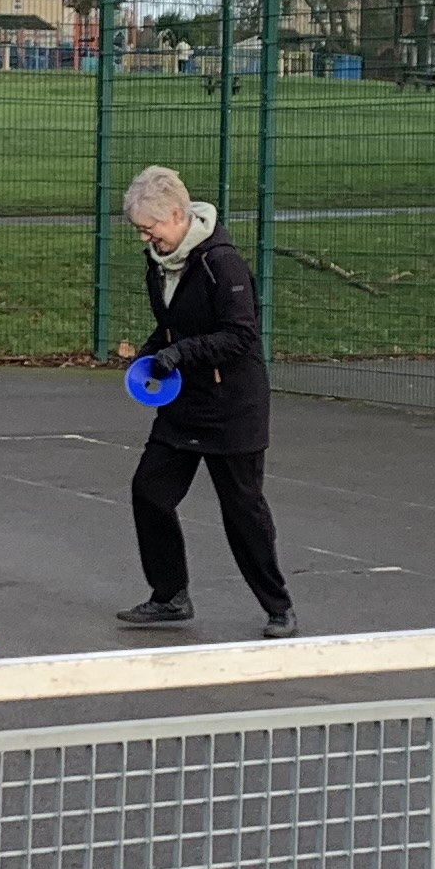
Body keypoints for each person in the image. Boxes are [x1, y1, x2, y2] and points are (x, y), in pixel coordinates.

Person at [111, 162, 296, 638]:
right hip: (183, 403)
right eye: (140, 231)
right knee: (149, 492)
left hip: (233, 407)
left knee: (242, 509)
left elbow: (240, 336)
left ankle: (278, 607)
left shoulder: (222, 264)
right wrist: (153, 353)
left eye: (150, 230)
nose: (146, 240)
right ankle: (169, 596)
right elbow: (174, 324)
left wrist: (179, 352)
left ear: (177, 215)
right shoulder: (159, 265)